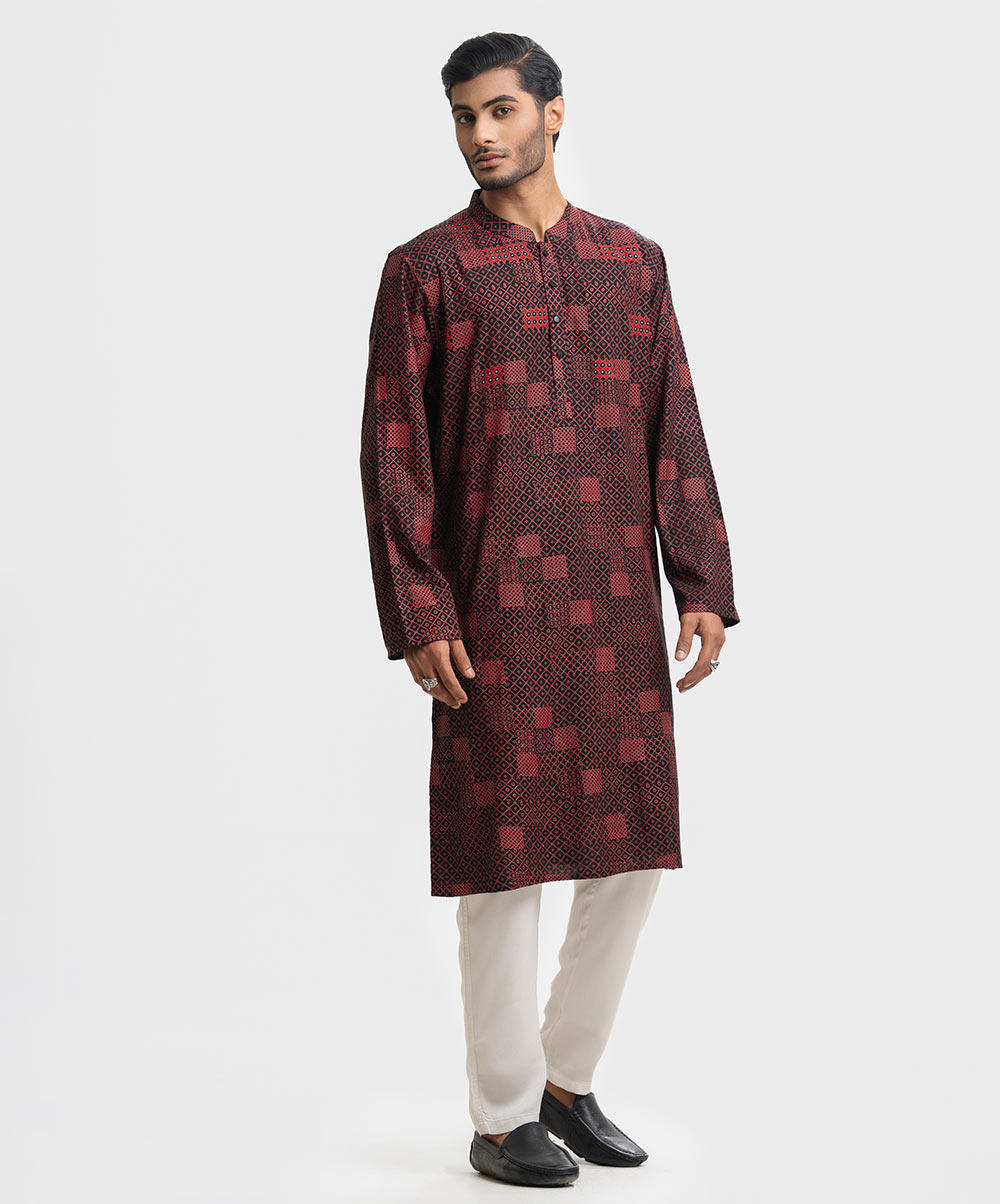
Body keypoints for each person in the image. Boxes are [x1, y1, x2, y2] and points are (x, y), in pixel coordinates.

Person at [359, 31, 740, 1188]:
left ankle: (565, 1083)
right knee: (502, 865)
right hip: (492, 608)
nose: (480, 134)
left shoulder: (632, 263)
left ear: (553, 113)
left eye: (500, 111)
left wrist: (702, 583)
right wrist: (420, 607)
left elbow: (674, 421)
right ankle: (499, 1114)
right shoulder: (426, 270)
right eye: (462, 116)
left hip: (615, 601)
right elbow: (393, 453)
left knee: (631, 852)